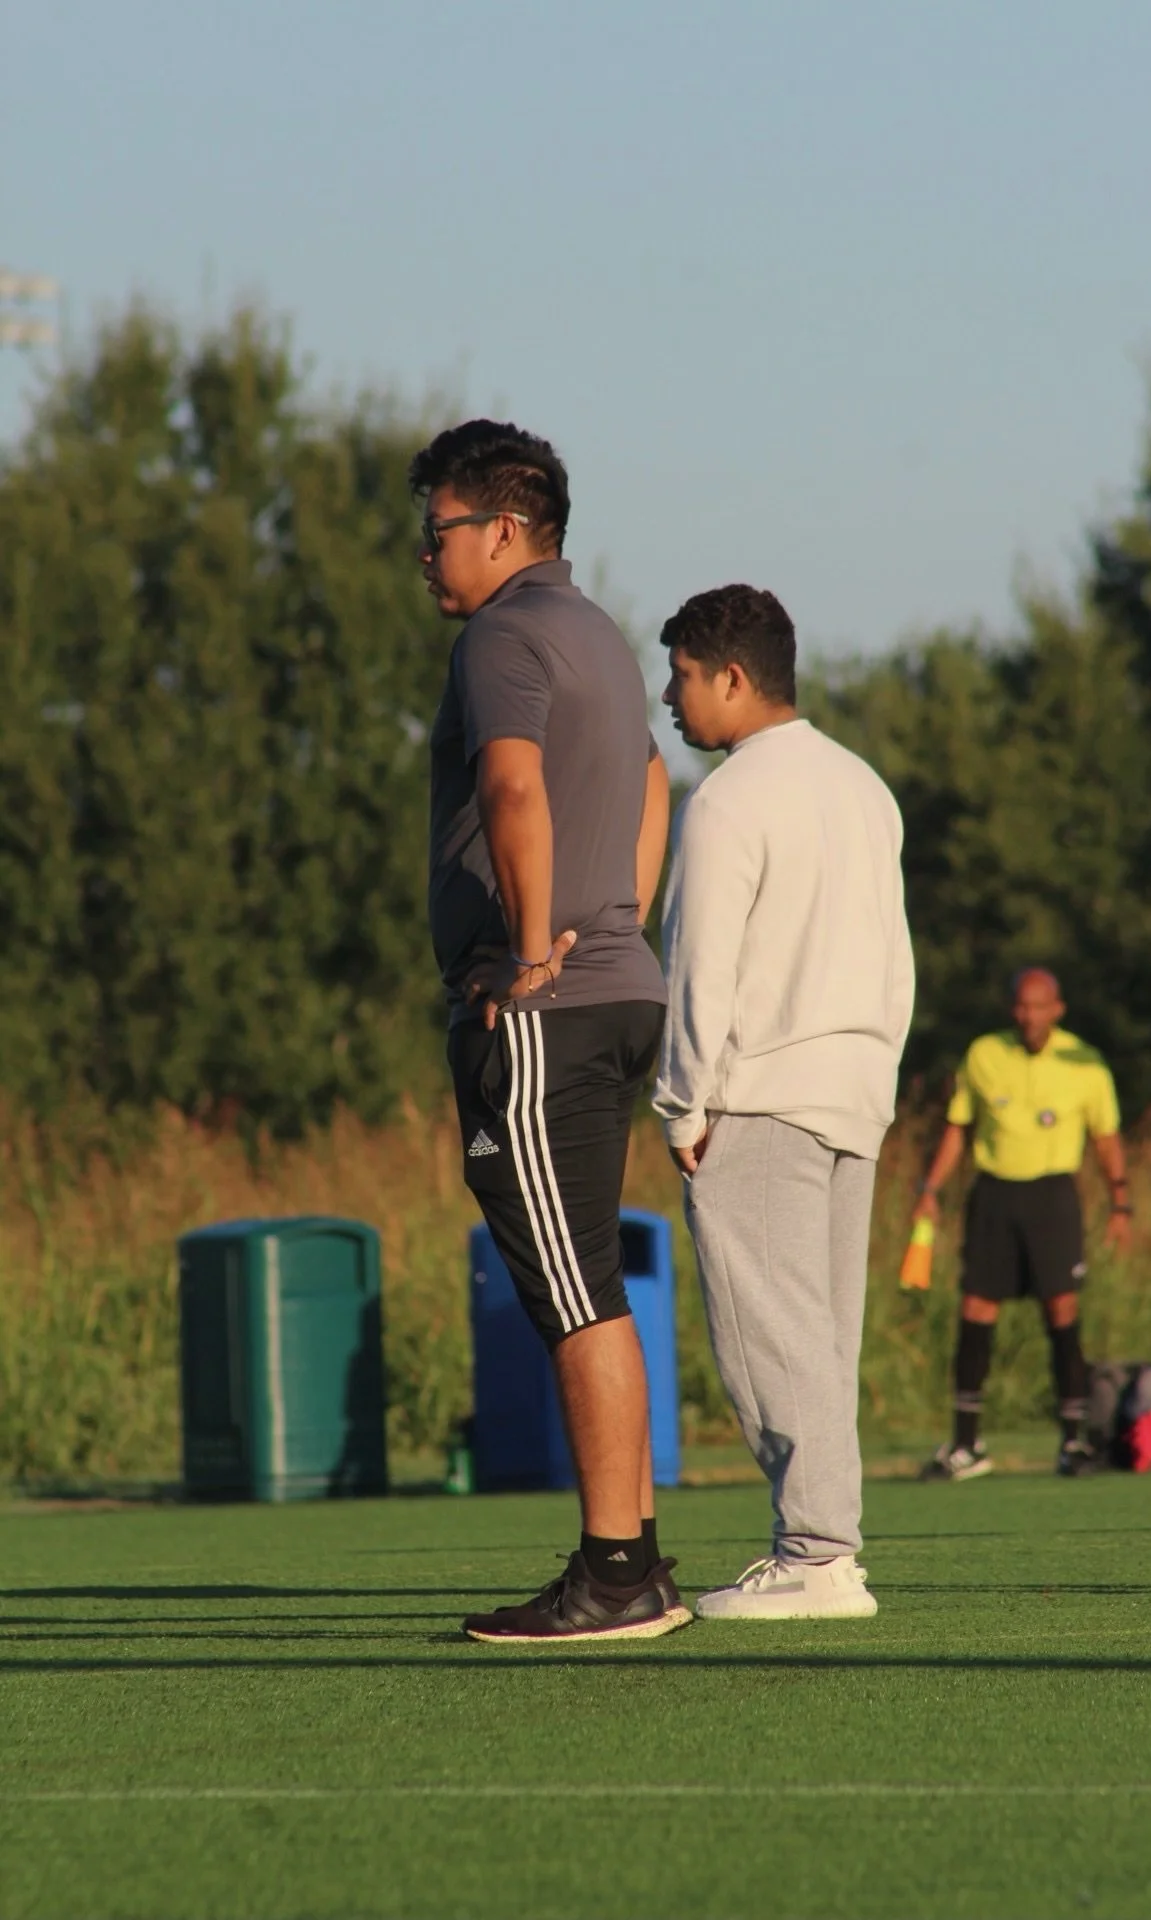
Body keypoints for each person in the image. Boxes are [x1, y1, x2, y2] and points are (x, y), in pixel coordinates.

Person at [413, 418, 686, 1641]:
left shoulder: (502, 635)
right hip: (610, 992)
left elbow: (511, 783)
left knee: (574, 1292)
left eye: (438, 532)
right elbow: (652, 779)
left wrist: (534, 949)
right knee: (585, 1280)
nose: (426, 555)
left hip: (543, 1009)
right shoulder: (594, 632)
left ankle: (616, 1574)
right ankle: (633, 1564)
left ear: (505, 528)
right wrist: (617, 918)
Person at [654, 584, 914, 1620]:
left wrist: (681, 1105)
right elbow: (896, 962)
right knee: (821, 1336)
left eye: (680, 676)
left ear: (731, 676)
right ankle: (827, 1552)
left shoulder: (727, 801)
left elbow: (698, 969)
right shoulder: (865, 787)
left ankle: (815, 1555)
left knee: (770, 1333)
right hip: (854, 1093)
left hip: (761, 1094)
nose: (669, 698)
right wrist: (877, 1075)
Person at [915, 971, 1131, 1481]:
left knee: (1061, 1310)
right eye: (1020, 1006)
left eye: (1038, 1007)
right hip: (995, 1193)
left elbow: (1106, 1137)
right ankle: (967, 1443)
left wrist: (1121, 1204)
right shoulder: (984, 1054)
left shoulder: (1084, 1062)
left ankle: (1073, 1440)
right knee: (976, 1307)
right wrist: (929, 1190)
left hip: (1053, 1197)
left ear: (1057, 1009)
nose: (1028, 1016)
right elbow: (958, 1127)